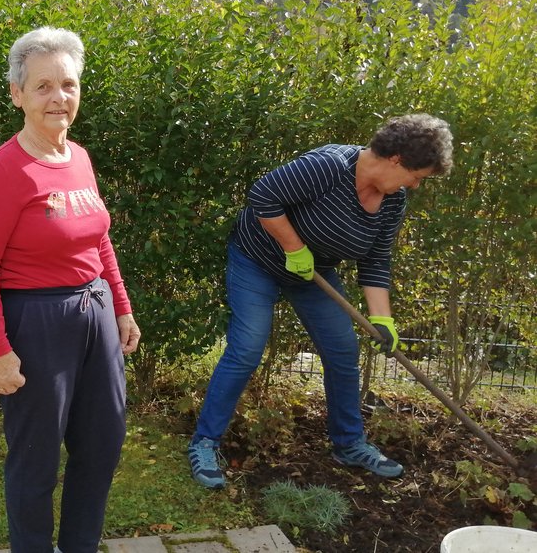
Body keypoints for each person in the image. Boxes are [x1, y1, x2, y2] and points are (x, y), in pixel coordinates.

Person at [188, 114, 453, 489]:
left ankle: (349, 444)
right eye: (417, 175)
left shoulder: (393, 201)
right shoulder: (329, 166)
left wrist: (383, 319)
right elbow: (262, 196)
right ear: (396, 159)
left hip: (313, 272)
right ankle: (204, 443)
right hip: (257, 260)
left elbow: (376, 260)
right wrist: (294, 247)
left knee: (343, 349)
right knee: (247, 348)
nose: (415, 184)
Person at [0, 27, 141, 553]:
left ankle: (80, 545)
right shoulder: (4, 169)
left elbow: (99, 240)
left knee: (102, 445)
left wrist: (122, 308)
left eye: (68, 84)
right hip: (36, 323)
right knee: (35, 459)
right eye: (42, 86)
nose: (58, 97)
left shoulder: (79, 157)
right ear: (17, 94)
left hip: (96, 312)